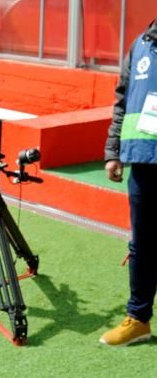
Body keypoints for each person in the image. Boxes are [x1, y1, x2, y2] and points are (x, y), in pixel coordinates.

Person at [101, 17, 157, 347]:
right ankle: (138, 319)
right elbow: (122, 99)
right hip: (143, 159)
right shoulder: (141, 44)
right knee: (142, 246)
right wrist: (113, 152)